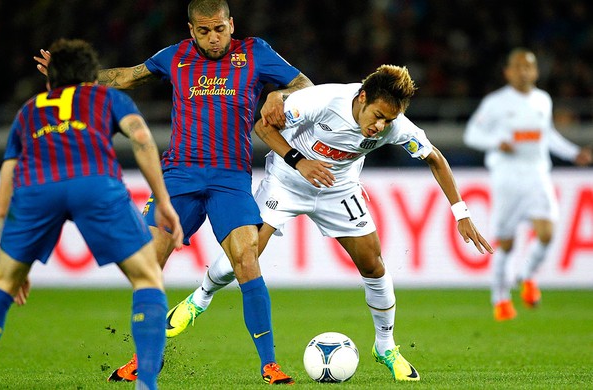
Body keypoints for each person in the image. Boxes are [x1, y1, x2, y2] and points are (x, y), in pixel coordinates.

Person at [33, 0, 312, 385]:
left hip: (229, 178)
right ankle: (144, 358)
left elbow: (305, 85)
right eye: (204, 31)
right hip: (179, 177)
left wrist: (278, 95)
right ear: (190, 30)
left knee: (246, 258)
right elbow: (125, 77)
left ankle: (269, 364)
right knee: (147, 266)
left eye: (220, 29)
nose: (214, 38)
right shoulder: (174, 57)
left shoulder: (255, 52)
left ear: (232, 23)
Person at [165, 64, 494, 382]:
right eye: (378, 116)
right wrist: (299, 161)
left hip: (338, 189)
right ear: (363, 97)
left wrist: (461, 213)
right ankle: (200, 298)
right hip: (287, 181)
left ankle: (386, 347)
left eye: (389, 120)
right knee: (245, 255)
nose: (381, 126)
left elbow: (434, 157)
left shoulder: (397, 127)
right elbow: (263, 127)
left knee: (374, 264)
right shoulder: (321, 101)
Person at [0, 38, 183, 390]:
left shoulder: (29, 110)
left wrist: (12, 258)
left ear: (50, 82)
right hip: (95, 185)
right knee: (148, 279)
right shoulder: (109, 97)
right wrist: (163, 200)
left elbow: (8, 179)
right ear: (91, 78)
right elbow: (142, 136)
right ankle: (146, 384)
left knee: (2, 284)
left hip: (37, 189)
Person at [464, 48, 592, 321]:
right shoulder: (495, 103)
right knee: (507, 243)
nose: (524, 71)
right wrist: (496, 142)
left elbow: (548, 136)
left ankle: (526, 276)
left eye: (529, 67)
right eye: (518, 67)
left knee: (547, 232)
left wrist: (573, 153)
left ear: (535, 71)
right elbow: (472, 134)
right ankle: (500, 298)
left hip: (537, 174)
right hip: (508, 177)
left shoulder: (542, 100)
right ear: (507, 72)